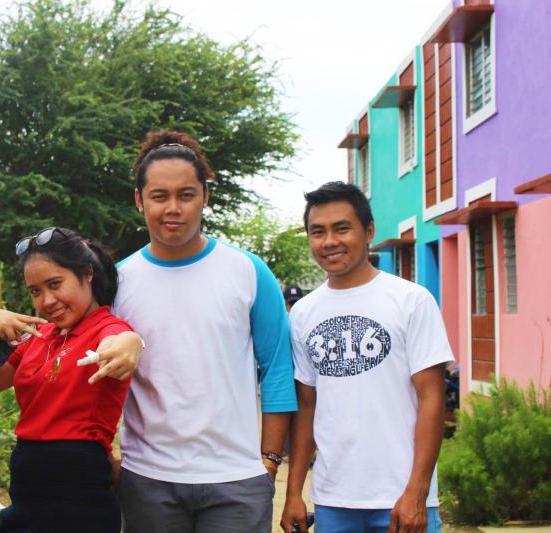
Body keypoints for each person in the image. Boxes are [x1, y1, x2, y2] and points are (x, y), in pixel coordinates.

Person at [113, 130, 297, 533]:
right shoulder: (118, 282)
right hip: (148, 480)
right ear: (140, 200)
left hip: (237, 482)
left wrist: (269, 462)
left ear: (205, 197)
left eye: (186, 195)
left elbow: (278, 368)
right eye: (159, 196)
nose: (173, 208)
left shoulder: (248, 272)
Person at [281, 182, 454, 533]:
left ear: (369, 231)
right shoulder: (303, 313)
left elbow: (431, 399)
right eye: (318, 232)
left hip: (401, 499)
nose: (329, 241)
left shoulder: (411, 301)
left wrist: (417, 492)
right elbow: (307, 408)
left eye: (342, 228)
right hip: (333, 500)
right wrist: (293, 493)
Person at [0, 227, 144, 533]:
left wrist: (131, 341)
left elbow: (116, 341)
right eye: (35, 291)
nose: (47, 300)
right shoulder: (37, 336)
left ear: (87, 274)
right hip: (27, 498)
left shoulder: (106, 328)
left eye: (55, 284)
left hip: (77, 500)